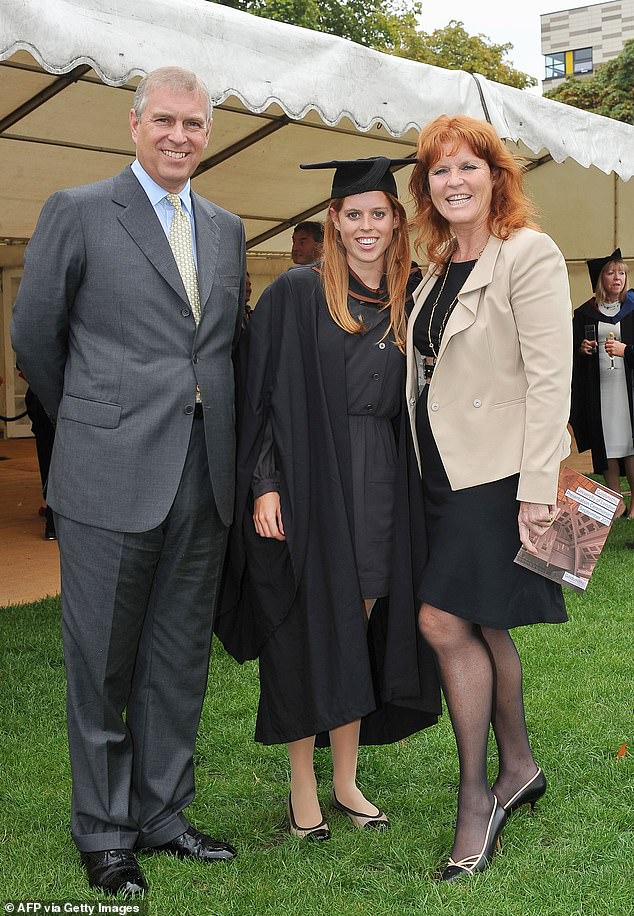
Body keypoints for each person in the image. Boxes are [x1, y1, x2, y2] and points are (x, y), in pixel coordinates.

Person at [11, 66, 246, 896]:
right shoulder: (77, 211)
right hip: (108, 470)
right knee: (101, 662)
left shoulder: (226, 227)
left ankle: (163, 814)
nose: (180, 136)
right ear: (135, 125)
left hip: (203, 472)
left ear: (208, 134)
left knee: (177, 656)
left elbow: (218, 346)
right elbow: (36, 338)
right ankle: (105, 830)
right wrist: (94, 417)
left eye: (195, 124)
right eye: (166, 121)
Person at [217, 157, 440, 841]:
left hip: (381, 481)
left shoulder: (412, 296)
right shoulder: (296, 291)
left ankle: (346, 781)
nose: (366, 226)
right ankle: (303, 789)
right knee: (304, 630)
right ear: (334, 221)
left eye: (379, 213)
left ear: (396, 221)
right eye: (354, 214)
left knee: (356, 628)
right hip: (308, 475)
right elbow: (261, 395)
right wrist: (265, 484)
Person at [406, 115, 572, 881]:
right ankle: (522, 767)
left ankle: (478, 797)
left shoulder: (527, 252)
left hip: (500, 474)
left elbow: (550, 377)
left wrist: (538, 490)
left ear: (496, 175)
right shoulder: (439, 262)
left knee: (442, 620)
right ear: (427, 186)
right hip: (440, 471)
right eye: (440, 170)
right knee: (481, 619)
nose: (454, 181)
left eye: (468, 166)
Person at [570, 250, 634, 517]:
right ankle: (616, 503)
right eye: (611, 273)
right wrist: (581, 349)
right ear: (600, 279)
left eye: (622, 273)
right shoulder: (585, 313)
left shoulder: (633, 308)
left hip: (629, 391)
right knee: (606, 441)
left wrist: (626, 351)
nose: (617, 278)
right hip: (601, 390)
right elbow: (571, 351)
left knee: (631, 443)